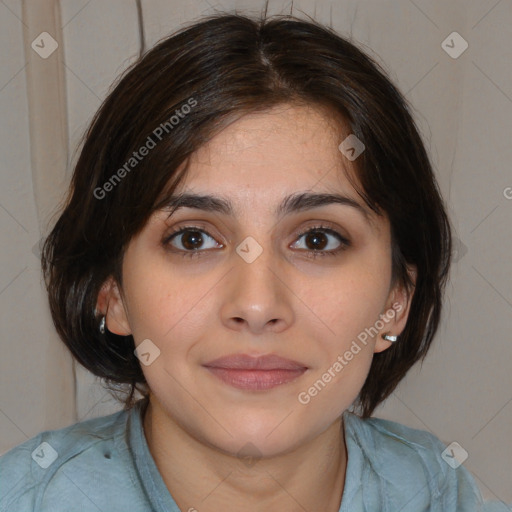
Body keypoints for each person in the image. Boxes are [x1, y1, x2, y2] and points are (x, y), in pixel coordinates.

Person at [0, 11, 509, 512]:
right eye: (193, 239)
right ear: (112, 292)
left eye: (317, 240)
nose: (257, 304)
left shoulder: (445, 497)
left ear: (396, 301)